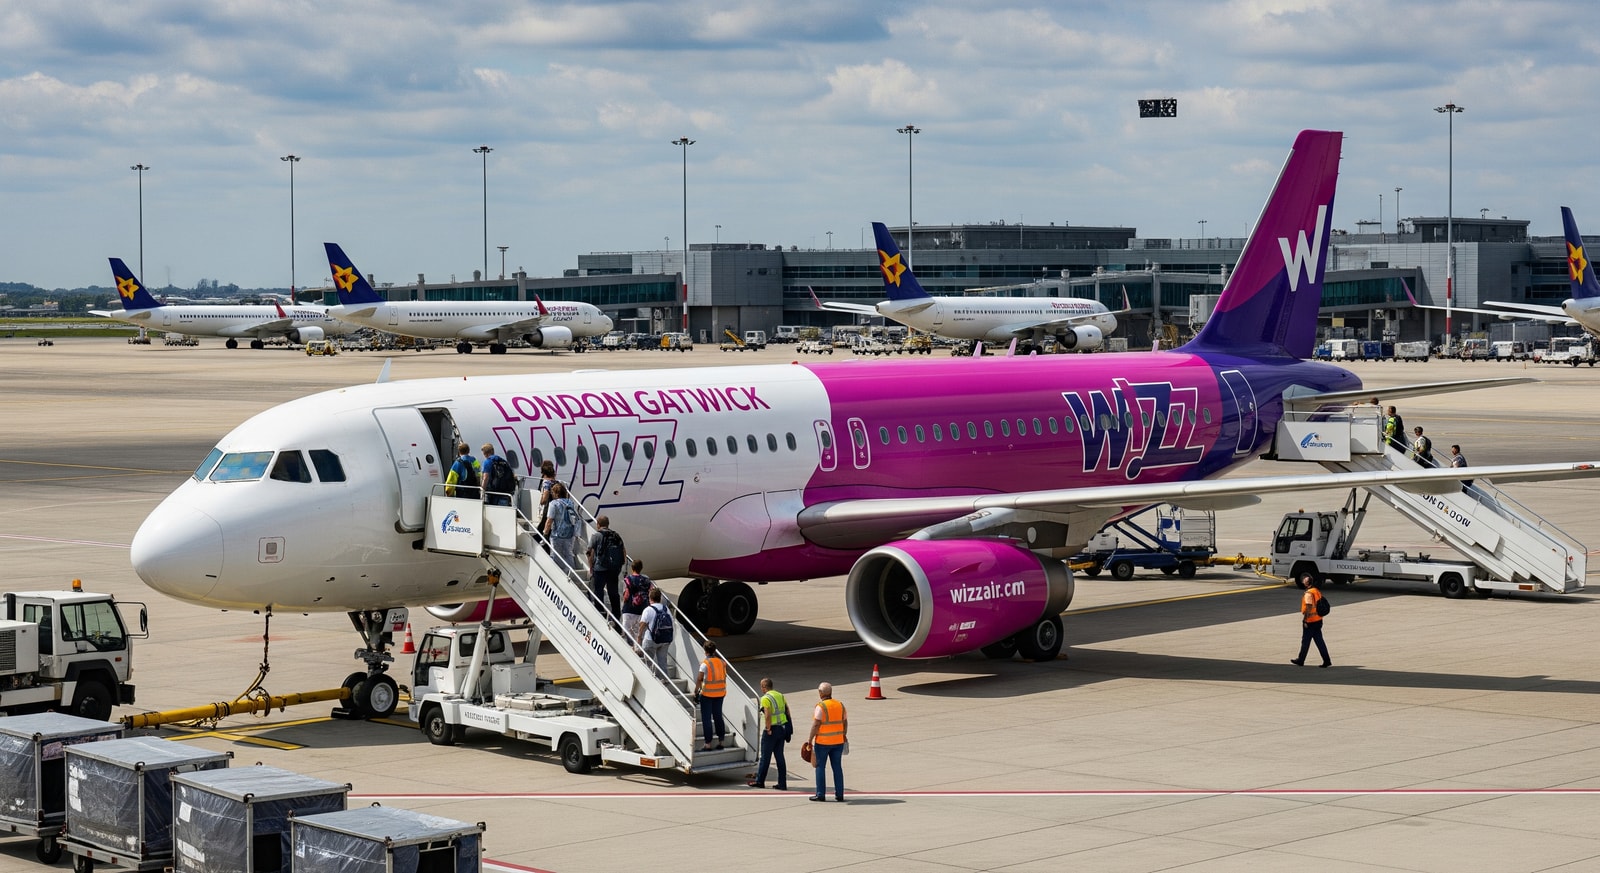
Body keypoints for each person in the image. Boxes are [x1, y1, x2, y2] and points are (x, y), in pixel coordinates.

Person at [808, 682, 847, 802]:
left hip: (823, 743)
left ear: (821, 693)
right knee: (837, 768)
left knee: (820, 767)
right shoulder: (840, 705)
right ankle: (839, 794)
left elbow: (816, 724)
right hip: (838, 742)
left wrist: (810, 739)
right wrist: (843, 735)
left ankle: (820, 794)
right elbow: (844, 722)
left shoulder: (821, 706)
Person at [748, 677, 789, 790]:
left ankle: (760, 781)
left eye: (761, 686)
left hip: (772, 730)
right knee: (780, 756)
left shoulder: (765, 698)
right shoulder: (780, 695)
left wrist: (768, 728)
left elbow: (767, 714)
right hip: (782, 728)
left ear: (764, 687)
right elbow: (787, 710)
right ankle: (782, 783)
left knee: (765, 757)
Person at [586, 515, 626, 618]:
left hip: (600, 569)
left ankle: (601, 612)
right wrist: (620, 565)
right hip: (613, 569)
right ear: (608, 524)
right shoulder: (616, 535)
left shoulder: (596, 536)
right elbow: (623, 551)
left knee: (598, 591)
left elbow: (590, 552)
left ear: (598, 524)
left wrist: (591, 567)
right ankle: (616, 614)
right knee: (613, 592)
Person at [1290, 573, 1331, 668]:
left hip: (1310, 621)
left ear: (1306, 583)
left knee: (1305, 642)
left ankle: (1301, 660)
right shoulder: (1316, 591)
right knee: (1320, 642)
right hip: (1318, 620)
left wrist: (1305, 620)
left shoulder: (1309, 593)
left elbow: (1308, 606)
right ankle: (1326, 660)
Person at [694, 640, 727, 751]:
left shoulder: (705, 664)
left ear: (705, 651)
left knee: (706, 719)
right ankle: (721, 741)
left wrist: (695, 691)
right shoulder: (722, 662)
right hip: (720, 694)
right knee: (718, 717)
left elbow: (699, 679)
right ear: (714, 650)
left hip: (707, 694)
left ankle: (708, 744)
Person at [542, 482, 580, 574]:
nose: (552, 494)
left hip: (557, 534)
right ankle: (572, 573)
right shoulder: (570, 502)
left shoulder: (553, 504)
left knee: (555, 555)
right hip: (570, 534)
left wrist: (545, 534)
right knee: (569, 554)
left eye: (553, 493)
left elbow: (549, 521)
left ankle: (557, 573)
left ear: (556, 493)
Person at [635, 587, 672, 675]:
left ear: (650, 598)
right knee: (662, 663)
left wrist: (639, 638)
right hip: (665, 639)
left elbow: (642, 626)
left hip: (651, 640)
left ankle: (649, 679)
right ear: (659, 598)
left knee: (648, 663)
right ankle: (663, 680)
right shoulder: (666, 609)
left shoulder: (648, 610)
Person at [620, 560, 653, 642]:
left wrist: (624, 602)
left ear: (632, 568)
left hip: (629, 608)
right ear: (641, 568)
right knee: (638, 632)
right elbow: (651, 592)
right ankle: (637, 648)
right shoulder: (646, 580)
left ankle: (630, 646)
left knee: (627, 630)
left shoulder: (628, 579)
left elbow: (626, 595)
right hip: (642, 610)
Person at [480, 442, 513, 506]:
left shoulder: (487, 462)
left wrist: (482, 490)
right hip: (505, 493)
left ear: (484, 453)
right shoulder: (503, 461)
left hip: (493, 493)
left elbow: (485, 478)